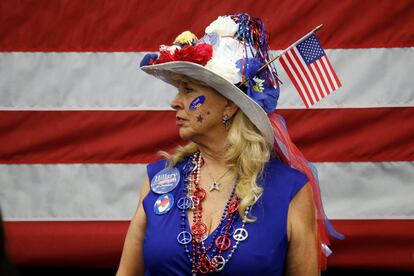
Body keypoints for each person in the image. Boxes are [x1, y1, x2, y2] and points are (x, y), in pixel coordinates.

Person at [117, 13, 342, 276]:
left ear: (229, 104)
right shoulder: (158, 179)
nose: (174, 102)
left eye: (188, 90)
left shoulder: (289, 190)